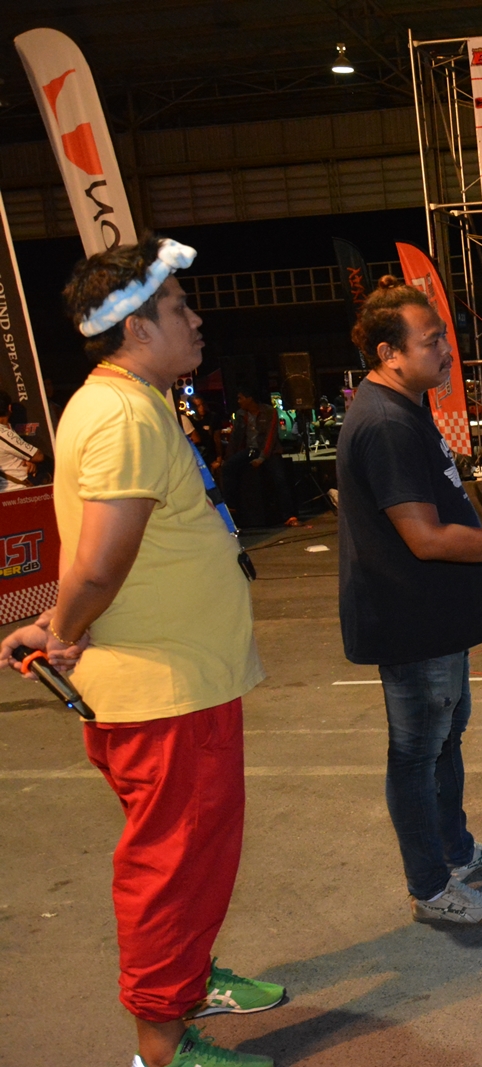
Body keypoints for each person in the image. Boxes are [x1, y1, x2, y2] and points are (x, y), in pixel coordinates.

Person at [1, 234, 281, 1066]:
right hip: (164, 694)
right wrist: (62, 630)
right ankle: (163, 1040)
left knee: (192, 857)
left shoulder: (134, 401)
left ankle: (190, 977)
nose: (196, 321)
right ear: (136, 327)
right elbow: (100, 561)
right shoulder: (123, 414)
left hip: (179, 683)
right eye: (179, 308)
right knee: (172, 865)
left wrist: (57, 623)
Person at [338, 281, 482, 927]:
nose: (447, 348)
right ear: (389, 353)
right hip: (412, 622)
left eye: (444, 334)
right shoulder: (387, 423)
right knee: (417, 751)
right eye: (431, 340)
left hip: (435, 619)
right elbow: (427, 537)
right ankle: (431, 886)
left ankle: (455, 850)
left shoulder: (405, 406)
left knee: (444, 738)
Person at [221, 387, 297, 526]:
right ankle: (231, 506)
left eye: (241, 398)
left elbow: (270, 436)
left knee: (280, 478)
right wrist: (227, 457)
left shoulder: (269, 411)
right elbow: (235, 438)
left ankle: (289, 515)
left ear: (249, 398)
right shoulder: (241, 414)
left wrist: (262, 458)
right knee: (228, 467)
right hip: (250, 449)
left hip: (270, 451)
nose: (239, 401)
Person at [0, 395, 43, 489]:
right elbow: (38, 456)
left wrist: (27, 458)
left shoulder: (6, 429)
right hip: (16, 489)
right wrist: (30, 458)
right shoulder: (3, 433)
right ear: (9, 408)